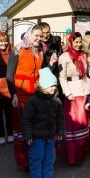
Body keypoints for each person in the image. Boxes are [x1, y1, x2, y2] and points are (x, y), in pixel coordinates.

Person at [7, 25, 57, 168]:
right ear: (29, 35)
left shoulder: (40, 51)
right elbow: (9, 75)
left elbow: (42, 75)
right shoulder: (18, 50)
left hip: (36, 94)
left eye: (41, 36)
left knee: (36, 130)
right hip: (21, 96)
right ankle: (24, 161)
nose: (39, 38)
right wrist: (14, 95)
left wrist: (52, 64)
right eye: (36, 35)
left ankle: (35, 161)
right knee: (23, 129)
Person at [21, 67, 65, 178]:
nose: (53, 88)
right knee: (37, 157)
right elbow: (26, 120)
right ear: (42, 86)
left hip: (50, 135)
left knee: (50, 157)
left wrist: (60, 131)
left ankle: (47, 176)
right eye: (50, 86)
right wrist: (28, 136)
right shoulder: (33, 101)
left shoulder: (56, 101)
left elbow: (60, 118)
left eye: (54, 86)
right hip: (36, 137)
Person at [58, 32, 90, 165]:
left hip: (85, 90)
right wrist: (67, 93)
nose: (78, 44)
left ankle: (83, 152)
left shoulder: (84, 55)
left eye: (80, 42)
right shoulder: (64, 56)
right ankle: (74, 156)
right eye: (76, 42)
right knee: (76, 125)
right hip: (73, 93)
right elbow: (62, 77)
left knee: (85, 124)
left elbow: (88, 73)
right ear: (70, 42)